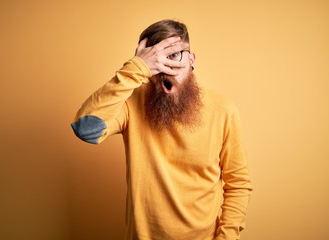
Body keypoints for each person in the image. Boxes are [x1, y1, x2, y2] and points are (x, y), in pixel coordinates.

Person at [71, 19, 252, 240]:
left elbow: (238, 184)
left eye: (174, 55)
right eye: (156, 59)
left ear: (192, 60)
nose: (166, 68)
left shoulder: (223, 110)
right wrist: (136, 67)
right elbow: (86, 129)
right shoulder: (131, 103)